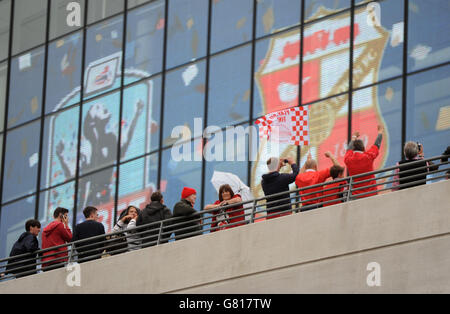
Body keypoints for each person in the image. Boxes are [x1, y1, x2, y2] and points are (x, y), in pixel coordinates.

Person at [344, 125, 383, 199]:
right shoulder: (368, 157)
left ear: (353, 149)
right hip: (371, 194)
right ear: (363, 148)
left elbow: (348, 149)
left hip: (356, 196)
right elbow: (377, 145)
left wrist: (353, 138)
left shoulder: (348, 160)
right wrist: (380, 132)